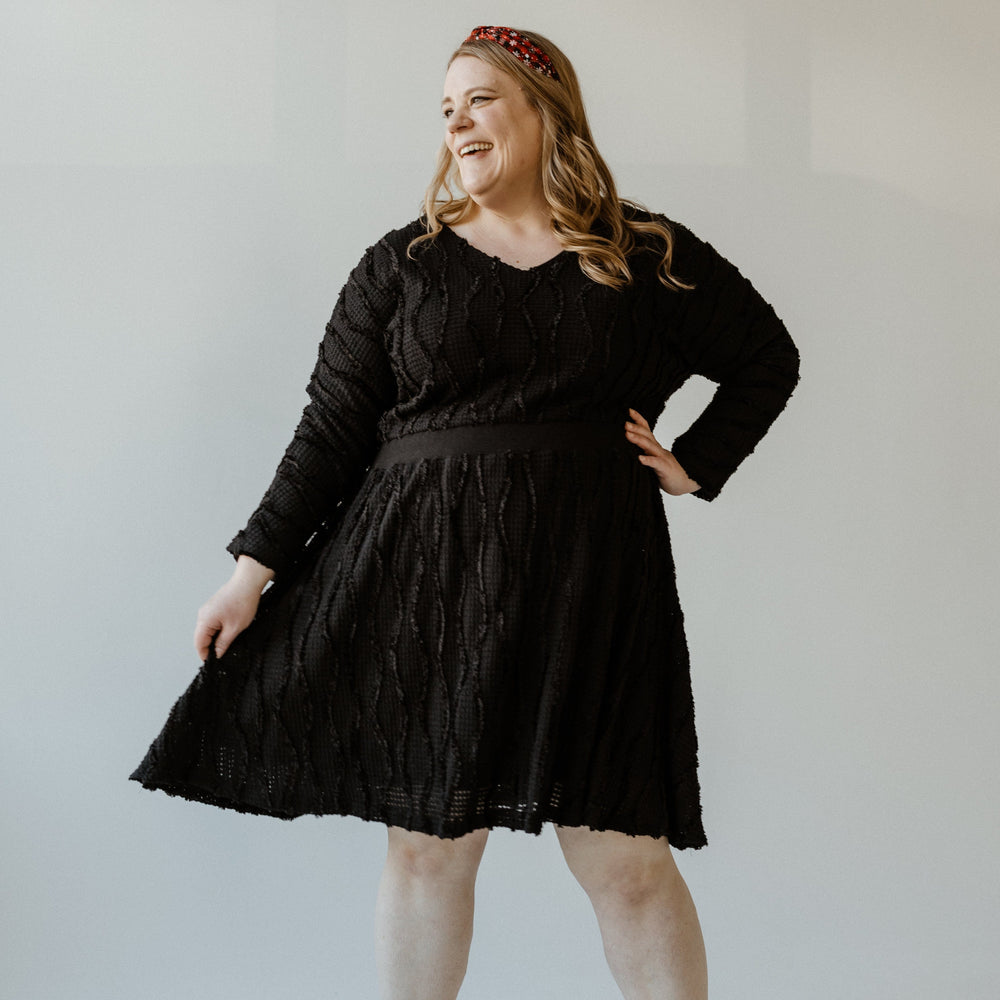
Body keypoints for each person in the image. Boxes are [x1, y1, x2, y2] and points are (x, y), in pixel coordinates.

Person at [131, 25, 799, 1000]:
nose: (455, 121)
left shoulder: (641, 253)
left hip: (594, 584)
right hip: (424, 579)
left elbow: (764, 358)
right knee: (430, 850)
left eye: (478, 98)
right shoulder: (401, 265)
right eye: (445, 108)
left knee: (627, 861)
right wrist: (250, 573)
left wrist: (694, 462)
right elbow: (329, 435)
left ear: (544, 109)